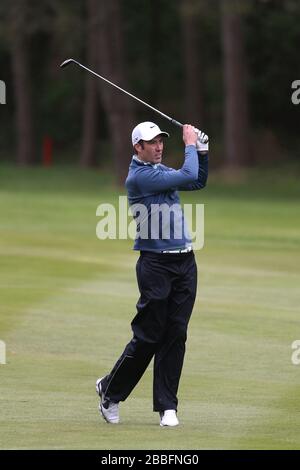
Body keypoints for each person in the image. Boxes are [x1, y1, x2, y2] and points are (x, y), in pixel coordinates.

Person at [96, 121, 209, 426]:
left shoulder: (159, 172)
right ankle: (109, 391)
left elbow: (196, 181)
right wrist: (189, 143)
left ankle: (167, 407)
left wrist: (203, 149)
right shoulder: (140, 177)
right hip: (155, 265)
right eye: (152, 142)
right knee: (148, 337)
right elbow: (187, 173)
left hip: (185, 262)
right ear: (138, 147)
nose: (159, 147)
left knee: (176, 333)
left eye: (161, 141)